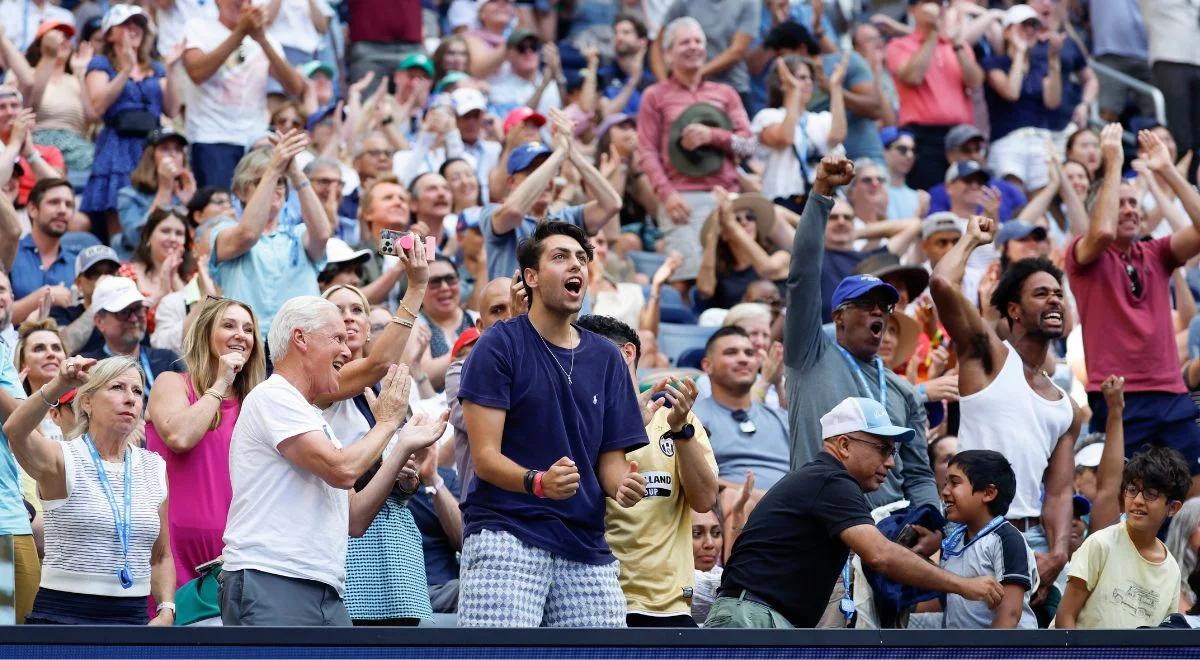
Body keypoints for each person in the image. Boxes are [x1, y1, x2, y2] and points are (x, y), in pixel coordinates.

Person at [457, 222, 648, 627]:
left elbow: (610, 463)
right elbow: (486, 458)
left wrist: (622, 485)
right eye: (559, 257)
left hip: (585, 543)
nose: (574, 265)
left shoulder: (607, 358)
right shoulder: (499, 344)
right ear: (531, 277)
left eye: (581, 258)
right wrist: (538, 482)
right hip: (507, 532)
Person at [218, 296, 438, 626]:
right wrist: (388, 424)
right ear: (300, 338)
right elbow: (343, 470)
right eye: (336, 338)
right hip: (272, 577)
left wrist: (402, 444)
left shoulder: (316, 419)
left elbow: (355, 519)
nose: (347, 351)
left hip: (326, 586)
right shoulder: (273, 395)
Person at [705, 396, 1003, 628]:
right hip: (755, 619)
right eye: (883, 449)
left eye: (893, 452)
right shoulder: (833, 481)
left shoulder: (824, 480)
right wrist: (963, 585)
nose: (890, 463)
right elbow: (880, 555)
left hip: (759, 616)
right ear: (844, 445)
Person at [929, 215, 1078, 601]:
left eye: (1058, 293)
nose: (1055, 300)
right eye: (1041, 293)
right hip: (976, 531)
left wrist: (1058, 554)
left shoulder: (1066, 405)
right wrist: (970, 241)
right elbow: (942, 283)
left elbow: (1060, 493)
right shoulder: (989, 357)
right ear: (1014, 310)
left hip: (1032, 539)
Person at [785, 155, 940, 513]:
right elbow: (802, 275)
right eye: (865, 304)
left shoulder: (902, 390)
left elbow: (918, 474)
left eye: (884, 307)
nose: (877, 312)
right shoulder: (809, 353)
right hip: (819, 522)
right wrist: (822, 193)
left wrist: (929, 519)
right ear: (838, 316)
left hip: (889, 531)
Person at [1068, 127, 1200, 497]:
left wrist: (1168, 172)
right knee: (1125, 497)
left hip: (1171, 391)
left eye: (1133, 203)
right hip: (1119, 397)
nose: (1129, 209)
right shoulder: (1084, 254)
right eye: (1120, 202)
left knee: (1193, 495)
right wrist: (1113, 164)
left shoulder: (1156, 252)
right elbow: (1104, 232)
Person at [3, 355, 176, 625]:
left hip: (133, 617)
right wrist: (58, 384)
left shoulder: (153, 466)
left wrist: (167, 609)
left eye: (138, 391)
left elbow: (161, 555)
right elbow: (15, 430)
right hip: (65, 616)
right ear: (87, 402)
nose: (130, 398)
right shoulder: (63, 457)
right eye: (117, 387)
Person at [581, 314, 718, 628]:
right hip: (595, 597)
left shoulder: (676, 418)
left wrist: (681, 431)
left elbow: (705, 500)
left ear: (627, 354)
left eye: (591, 354)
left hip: (668, 604)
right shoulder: (577, 419)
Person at [144, 297, 265, 587]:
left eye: (248, 330)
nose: (241, 335)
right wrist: (221, 382)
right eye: (228, 325)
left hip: (236, 554)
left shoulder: (257, 403)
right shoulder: (171, 383)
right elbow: (179, 436)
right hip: (169, 552)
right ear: (205, 334)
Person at [637, 17, 753, 283]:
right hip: (682, 198)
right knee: (688, 280)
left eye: (698, 41)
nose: (693, 47)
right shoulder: (655, 96)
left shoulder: (725, 93)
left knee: (738, 275)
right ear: (667, 54)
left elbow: (748, 145)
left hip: (727, 195)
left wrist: (712, 135)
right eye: (684, 42)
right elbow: (647, 152)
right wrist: (666, 195)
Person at [209, 131, 331, 340]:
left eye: (280, 182)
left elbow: (322, 234)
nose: (274, 187)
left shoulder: (300, 234)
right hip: (245, 344)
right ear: (239, 191)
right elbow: (247, 234)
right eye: (261, 180)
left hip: (299, 346)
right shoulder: (222, 231)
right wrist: (273, 169)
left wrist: (294, 172)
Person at [1055, 447, 1192, 629]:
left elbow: (1163, 637)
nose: (1137, 500)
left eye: (1151, 494)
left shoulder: (1172, 570)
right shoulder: (1101, 545)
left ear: (1173, 508)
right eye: (1132, 489)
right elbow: (1065, 616)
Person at [479, 111, 620, 280]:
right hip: (519, 306)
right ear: (512, 182)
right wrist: (559, 154)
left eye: (548, 171)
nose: (545, 180)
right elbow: (513, 212)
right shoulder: (492, 213)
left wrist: (572, 152)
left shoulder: (568, 217)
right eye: (534, 172)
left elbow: (612, 204)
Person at [182, 0, 306, 188]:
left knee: (259, 207)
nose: (240, 2)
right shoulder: (199, 28)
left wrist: (262, 40)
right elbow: (197, 73)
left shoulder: (266, 39)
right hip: (211, 136)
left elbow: (295, 87)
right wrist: (240, 32)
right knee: (220, 208)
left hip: (254, 139)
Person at [80, 5, 181, 236]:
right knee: (120, 221)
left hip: (152, 148)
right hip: (118, 147)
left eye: (138, 24)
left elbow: (173, 110)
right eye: (126, 24)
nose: (133, 29)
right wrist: (125, 70)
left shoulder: (155, 68)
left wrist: (171, 69)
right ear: (110, 33)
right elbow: (97, 106)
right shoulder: (101, 64)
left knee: (159, 213)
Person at [886, 0, 984, 191]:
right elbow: (913, 76)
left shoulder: (956, 45)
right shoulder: (899, 46)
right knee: (930, 194)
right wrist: (932, 35)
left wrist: (956, 45)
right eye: (928, 2)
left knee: (967, 192)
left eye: (940, 3)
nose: (936, 7)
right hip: (924, 138)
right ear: (913, 10)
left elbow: (975, 82)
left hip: (960, 136)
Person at [938, 449, 1039, 629]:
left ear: (988, 493)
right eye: (945, 483)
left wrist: (989, 654)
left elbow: (1010, 613)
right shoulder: (954, 539)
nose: (945, 491)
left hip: (1003, 653)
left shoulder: (1007, 539)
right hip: (962, 651)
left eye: (954, 483)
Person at [694, 326, 789, 493]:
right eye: (731, 352)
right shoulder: (693, 419)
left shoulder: (779, 417)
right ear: (707, 365)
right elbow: (693, 478)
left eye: (749, 353)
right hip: (732, 508)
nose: (743, 359)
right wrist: (754, 495)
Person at [981, 5, 1064, 191]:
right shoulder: (995, 62)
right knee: (1013, 196)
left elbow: (1053, 101)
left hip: (1040, 138)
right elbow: (1011, 92)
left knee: (1043, 198)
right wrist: (1018, 53)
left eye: (1033, 26)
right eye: (1023, 25)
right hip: (1008, 139)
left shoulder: (1040, 66)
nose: (1029, 30)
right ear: (1007, 31)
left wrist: (1053, 60)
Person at [752, 55, 846, 208]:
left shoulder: (821, 119)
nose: (808, 82)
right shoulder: (768, 116)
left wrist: (835, 88)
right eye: (801, 77)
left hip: (819, 199)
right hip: (782, 200)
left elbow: (837, 136)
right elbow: (785, 138)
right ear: (782, 82)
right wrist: (793, 92)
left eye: (810, 78)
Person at [9, 178, 98, 327]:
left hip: (64, 347)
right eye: (54, 202)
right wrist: (44, 296)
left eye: (69, 205)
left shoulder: (77, 265)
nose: (63, 210)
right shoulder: (9, 255)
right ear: (32, 209)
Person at [80, 276, 183, 387]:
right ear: (99, 321)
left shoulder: (167, 361)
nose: (134, 318)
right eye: (124, 312)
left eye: (138, 309)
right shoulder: (88, 368)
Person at [697, 190, 788, 311]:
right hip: (737, 325)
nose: (745, 222)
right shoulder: (720, 269)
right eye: (737, 219)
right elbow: (705, 290)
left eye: (750, 217)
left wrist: (731, 224)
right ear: (724, 235)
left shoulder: (780, 255)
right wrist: (713, 235)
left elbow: (767, 269)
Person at [115, 129, 197, 258]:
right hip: (142, 262)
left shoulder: (186, 193)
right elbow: (136, 239)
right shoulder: (128, 195)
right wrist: (164, 190)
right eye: (165, 149)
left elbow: (200, 240)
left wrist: (191, 204)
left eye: (178, 149)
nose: (172, 155)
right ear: (151, 156)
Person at [927, 125, 1027, 222]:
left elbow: (1025, 222)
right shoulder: (939, 192)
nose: (974, 155)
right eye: (966, 150)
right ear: (950, 155)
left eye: (978, 149)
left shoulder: (1006, 188)